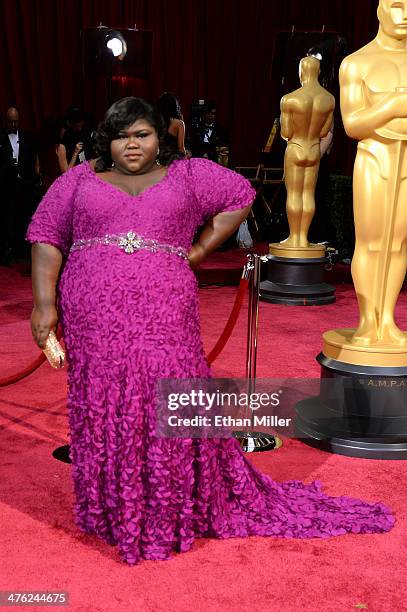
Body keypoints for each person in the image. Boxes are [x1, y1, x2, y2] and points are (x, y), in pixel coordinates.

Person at [27, 97, 394, 566]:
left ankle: (168, 508)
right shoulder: (78, 180)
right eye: (122, 136)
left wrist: (199, 249)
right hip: (92, 313)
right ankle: (115, 509)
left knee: (169, 392)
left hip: (165, 307)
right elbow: (46, 238)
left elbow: (240, 195)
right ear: (107, 141)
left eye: (142, 134)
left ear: (161, 137)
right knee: (105, 399)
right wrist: (43, 306)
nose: (132, 144)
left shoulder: (188, 174)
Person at [339, 0, 407, 346]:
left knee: (397, 244)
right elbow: (353, 124)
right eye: (397, 6)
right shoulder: (357, 64)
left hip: (406, 159)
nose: (405, 14)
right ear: (380, 8)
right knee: (371, 242)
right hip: (374, 157)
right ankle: (368, 321)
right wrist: (392, 106)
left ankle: (388, 321)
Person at [279, 56, 335, 250]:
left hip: (296, 148)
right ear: (318, 72)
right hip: (313, 149)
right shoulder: (329, 99)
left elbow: (286, 132)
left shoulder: (289, 99)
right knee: (308, 194)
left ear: (301, 71)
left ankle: (294, 238)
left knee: (294, 193)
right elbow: (323, 132)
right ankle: (303, 238)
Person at [0, 106, 41, 263]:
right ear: (6, 121)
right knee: (7, 219)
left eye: (16, 121)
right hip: (6, 186)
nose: (13, 125)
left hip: (25, 185)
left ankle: (22, 251)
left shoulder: (27, 137)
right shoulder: (1, 138)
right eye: (10, 122)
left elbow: (34, 158)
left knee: (24, 218)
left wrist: (36, 177)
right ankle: (7, 251)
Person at [56, 107, 93, 173]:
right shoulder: (62, 145)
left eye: (81, 126)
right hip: (72, 179)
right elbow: (66, 174)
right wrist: (75, 153)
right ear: (70, 125)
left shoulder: (81, 135)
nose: (80, 129)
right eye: (77, 126)